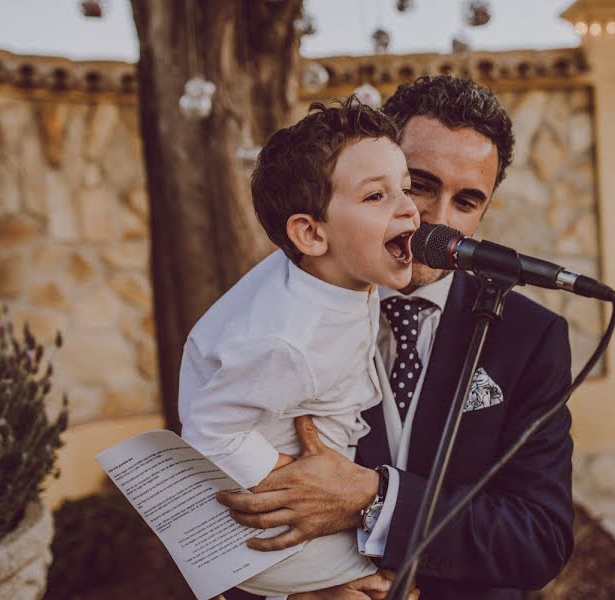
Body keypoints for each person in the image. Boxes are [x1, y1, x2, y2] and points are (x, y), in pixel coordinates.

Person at [219, 75, 575, 600]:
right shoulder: (278, 313)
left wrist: (376, 497)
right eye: (420, 184)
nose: (435, 220)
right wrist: (305, 589)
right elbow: (227, 502)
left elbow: (538, 539)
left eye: (468, 201)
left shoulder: (531, 337)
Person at [177, 97, 421, 596]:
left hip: (311, 477)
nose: (409, 208)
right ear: (310, 233)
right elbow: (208, 430)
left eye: (406, 187)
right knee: (404, 570)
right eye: (376, 197)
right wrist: (293, 478)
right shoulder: (289, 341)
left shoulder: (336, 273)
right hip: (275, 526)